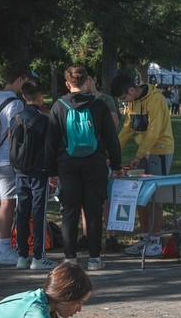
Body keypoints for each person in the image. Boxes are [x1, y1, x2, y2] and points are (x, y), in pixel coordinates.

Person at [45, 66, 123, 271]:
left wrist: (51, 172)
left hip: (67, 164)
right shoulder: (99, 105)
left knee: (69, 211)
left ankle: (70, 258)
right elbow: (111, 139)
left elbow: (50, 143)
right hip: (95, 164)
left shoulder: (58, 107)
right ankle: (95, 258)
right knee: (94, 211)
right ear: (87, 82)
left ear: (67, 84)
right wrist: (116, 165)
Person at [112, 73, 175, 257]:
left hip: (161, 150)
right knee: (140, 194)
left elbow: (154, 133)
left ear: (132, 90)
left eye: (124, 98)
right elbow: (128, 128)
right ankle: (144, 237)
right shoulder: (132, 102)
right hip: (145, 151)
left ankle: (155, 240)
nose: (125, 102)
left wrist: (138, 156)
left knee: (154, 196)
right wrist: (112, 151)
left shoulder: (155, 100)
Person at [0, 62, 30, 265]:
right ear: (20, 79)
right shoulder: (16, 103)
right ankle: (4, 250)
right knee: (7, 202)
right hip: (6, 160)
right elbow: (14, 134)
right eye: (26, 81)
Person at [12, 78, 57, 270]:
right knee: (39, 212)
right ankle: (38, 256)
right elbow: (50, 150)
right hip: (40, 173)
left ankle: (22, 255)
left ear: (23, 96)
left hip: (20, 172)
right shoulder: (45, 121)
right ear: (40, 98)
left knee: (22, 212)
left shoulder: (16, 119)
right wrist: (53, 173)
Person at [77, 68, 123, 252]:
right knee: (84, 199)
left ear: (94, 79)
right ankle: (86, 235)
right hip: (83, 155)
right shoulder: (76, 101)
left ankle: (110, 235)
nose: (87, 83)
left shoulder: (105, 100)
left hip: (102, 154)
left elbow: (114, 126)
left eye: (89, 79)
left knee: (106, 198)